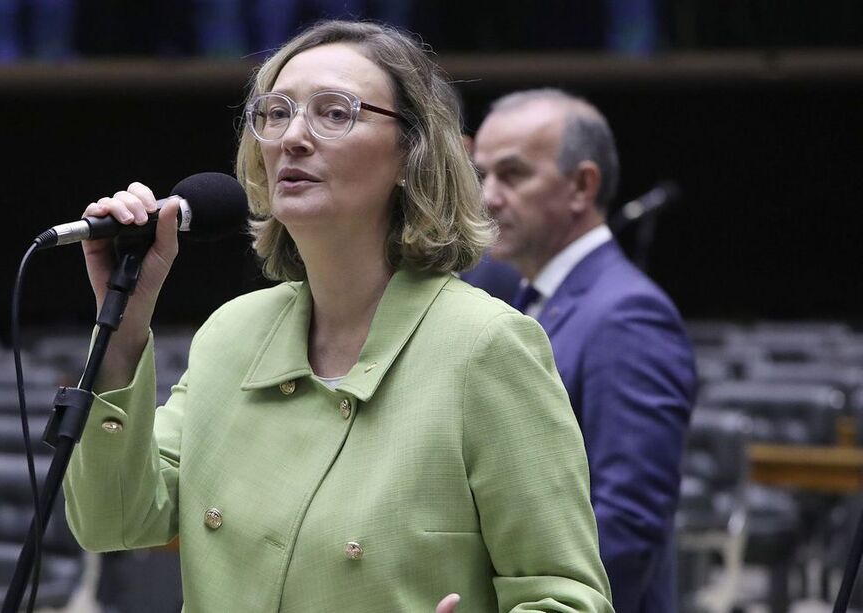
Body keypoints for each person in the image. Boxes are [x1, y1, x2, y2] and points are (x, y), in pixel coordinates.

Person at [63, 22, 613, 612]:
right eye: (275, 113)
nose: (292, 137)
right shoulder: (232, 334)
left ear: (411, 153)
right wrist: (121, 327)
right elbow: (112, 521)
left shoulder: (487, 346)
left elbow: (567, 597)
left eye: (334, 112)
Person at [462, 89, 696, 613]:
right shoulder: (525, 299)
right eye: (483, 175)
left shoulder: (628, 315)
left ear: (581, 186)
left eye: (513, 174)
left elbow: (625, 525)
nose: (489, 197)